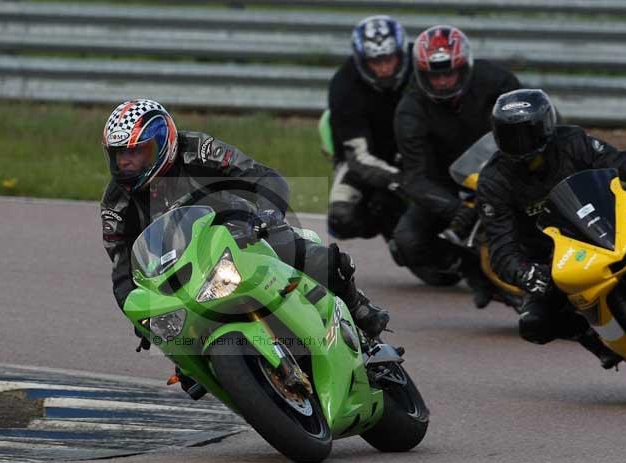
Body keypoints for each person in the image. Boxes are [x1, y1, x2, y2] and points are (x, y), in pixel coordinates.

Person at [100, 99, 391, 351]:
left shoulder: (197, 149)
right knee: (179, 349)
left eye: (137, 152)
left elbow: (262, 176)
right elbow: (122, 270)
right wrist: (140, 315)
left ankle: (357, 306)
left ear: (163, 143)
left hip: (242, 233)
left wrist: (267, 214)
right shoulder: (116, 203)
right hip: (183, 271)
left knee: (307, 256)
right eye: (120, 154)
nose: (127, 162)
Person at [477, 88, 626, 369]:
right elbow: (500, 246)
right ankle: (593, 338)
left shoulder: (573, 141)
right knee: (535, 324)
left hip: (604, 225)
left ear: (546, 125)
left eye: (528, 132)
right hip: (552, 259)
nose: (520, 143)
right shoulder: (493, 180)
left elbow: (618, 162)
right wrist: (527, 274)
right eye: (510, 135)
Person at [393, 25, 522, 308]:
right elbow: (414, 178)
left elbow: (533, 116)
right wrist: (455, 209)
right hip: (448, 185)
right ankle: (471, 268)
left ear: (465, 67)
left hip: (506, 169)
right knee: (407, 240)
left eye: (448, 73)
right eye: (434, 75)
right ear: (420, 73)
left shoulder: (496, 80)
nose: (441, 82)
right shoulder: (410, 110)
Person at [326, 15, 411, 241]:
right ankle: (386, 223)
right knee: (341, 219)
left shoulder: (421, 67)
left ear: (401, 53)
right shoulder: (344, 86)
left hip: (418, 147)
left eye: (389, 59)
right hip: (365, 154)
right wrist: (401, 181)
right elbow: (358, 157)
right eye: (375, 61)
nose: (384, 68)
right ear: (361, 60)